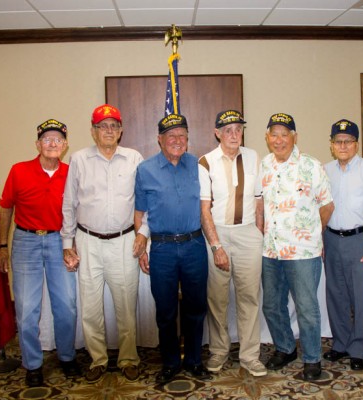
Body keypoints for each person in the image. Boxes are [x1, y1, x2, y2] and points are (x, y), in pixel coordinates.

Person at [61, 104, 144, 383]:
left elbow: (144, 202)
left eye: (113, 126)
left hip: (123, 240)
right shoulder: (79, 159)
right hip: (87, 241)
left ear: (120, 131)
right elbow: (69, 204)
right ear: (93, 131)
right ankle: (98, 359)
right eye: (102, 126)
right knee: (91, 306)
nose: (108, 131)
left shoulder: (134, 158)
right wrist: (67, 242)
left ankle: (129, 358)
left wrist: (143, 233)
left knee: (126, 304)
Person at [0, 119, 80, 387]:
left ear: (65, 145)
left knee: (66, 305)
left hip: (60, 242)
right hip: (26, 242)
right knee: (26, 307)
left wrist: (74, 243)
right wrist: (3, 246)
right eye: (47, 139)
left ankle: (67, 357)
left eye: (58, 140)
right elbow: (6, 208)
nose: (52, 144)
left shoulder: (71, 172)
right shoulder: (19, 171)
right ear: (37, 144)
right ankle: (33, 364)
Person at [134, 114, 210, 384]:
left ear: (188, 139)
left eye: (182, 136)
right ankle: (169, 362)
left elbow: (206, 206)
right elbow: (140, 212)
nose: (177, 141)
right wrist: (142, 248)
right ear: (160, 140)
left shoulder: (198, 166)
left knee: (196, 307)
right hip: (163, 249)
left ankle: (193, 361)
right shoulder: (145, 170)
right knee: (165, 311)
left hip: (194, 246)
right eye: (171, 136)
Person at [259, 113, 334, 381]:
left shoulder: (311, 166)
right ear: (267, 138)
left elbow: (327, 207)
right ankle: (285, 348)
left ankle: (313, 358)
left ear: (295, 137)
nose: (279, 140)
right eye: (274, 134)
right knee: (272, 305)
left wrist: (309, 233)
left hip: (303, 252)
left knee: (306, 307)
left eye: (285, 134)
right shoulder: (264, 165)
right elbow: (261, 205)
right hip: (271, 251)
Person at [198, 110, 266, 377]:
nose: (234, 134)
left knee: (249, 297)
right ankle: (218, 352)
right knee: (217, 299)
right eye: (228, 130)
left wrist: (258, 233)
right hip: (218, 234)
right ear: (217, 133)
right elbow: (205, 210)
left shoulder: (253, 157)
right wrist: (216, 246)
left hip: (248, 233)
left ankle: (250, 355)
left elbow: (259, 202)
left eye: (238, 129)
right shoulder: (205, 162)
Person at [322, 119, 363, 371]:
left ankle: (359, 348)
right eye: (338, 141)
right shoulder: (325, 170)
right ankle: (340, 344)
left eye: (348, 141)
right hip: (332, 239)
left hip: (361, 240)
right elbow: (320, 207)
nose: (343, 145)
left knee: (360, 296)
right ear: (331, 145)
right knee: (335, 295)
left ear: (356, 144)